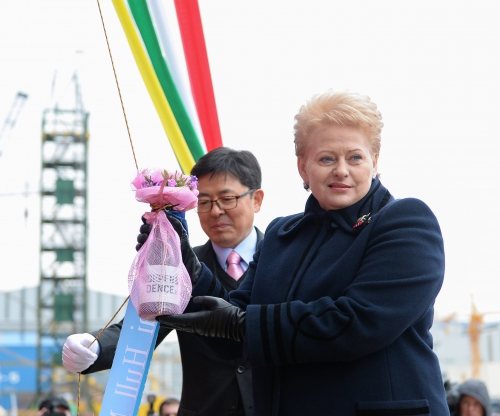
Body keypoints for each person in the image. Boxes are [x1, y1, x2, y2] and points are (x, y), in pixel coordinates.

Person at [158, 91, 449, 415]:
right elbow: (233, 323)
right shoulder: (284, 234)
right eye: (327, 158)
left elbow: (358, 322)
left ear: (375, 161)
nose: (341, 170)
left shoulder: (405, 221)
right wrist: (187, 266)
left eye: (355, 157)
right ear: (302, 167)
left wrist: (242, 324)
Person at [62, 147, 265, 415]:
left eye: (227, 199)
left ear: (257, 200)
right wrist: (94, 345)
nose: (215, 211)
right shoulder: (175, 267)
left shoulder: (285, 261)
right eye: (203, 202)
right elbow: (143, 326)